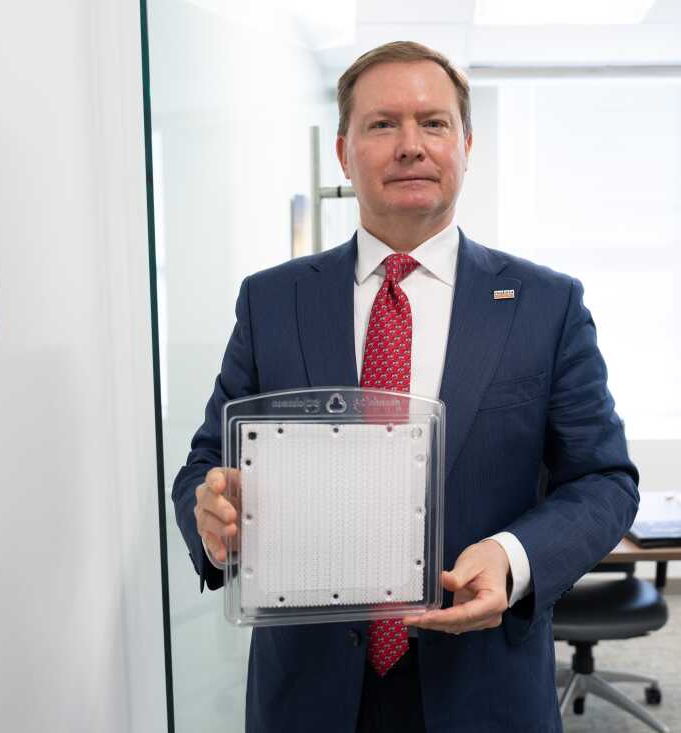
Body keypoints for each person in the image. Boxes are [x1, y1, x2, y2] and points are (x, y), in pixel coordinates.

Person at [172, 41, 639, 732]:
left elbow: (605, 481)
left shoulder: (546, 304)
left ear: (467, 145)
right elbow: (203, 466)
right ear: (343, 151)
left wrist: (513, 559)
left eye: (434, 122)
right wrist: (210, 517)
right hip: (308, 691)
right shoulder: (272, 302)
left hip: (485, 685)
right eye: (382, 124)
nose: (410, 145)